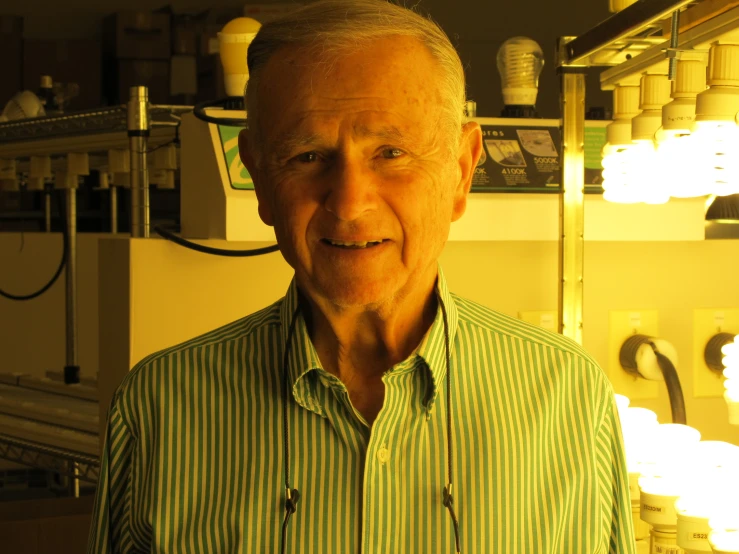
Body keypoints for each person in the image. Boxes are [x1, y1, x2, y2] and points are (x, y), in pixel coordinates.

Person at [87, 1, 635, 552]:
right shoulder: (159, 408)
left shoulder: (568, 398)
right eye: (307, 156)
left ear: (462, 170)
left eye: (391, 152)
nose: (349, 203)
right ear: (258, 177)